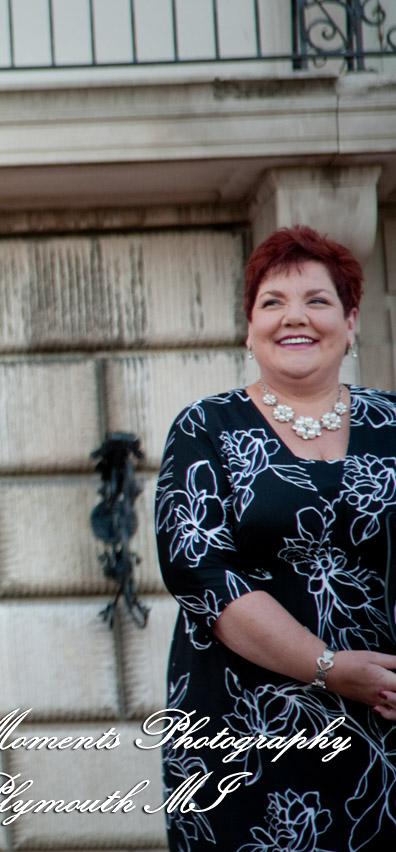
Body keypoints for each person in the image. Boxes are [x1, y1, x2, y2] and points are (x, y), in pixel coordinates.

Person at [155, 225, 396, 851]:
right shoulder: (205, 428)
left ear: (350, 322)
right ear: (249, 328)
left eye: (318, 301)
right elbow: (201, 576)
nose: (296, 318)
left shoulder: (393, 422)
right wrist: (329, 668)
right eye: (273, 303)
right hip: (248, 734)